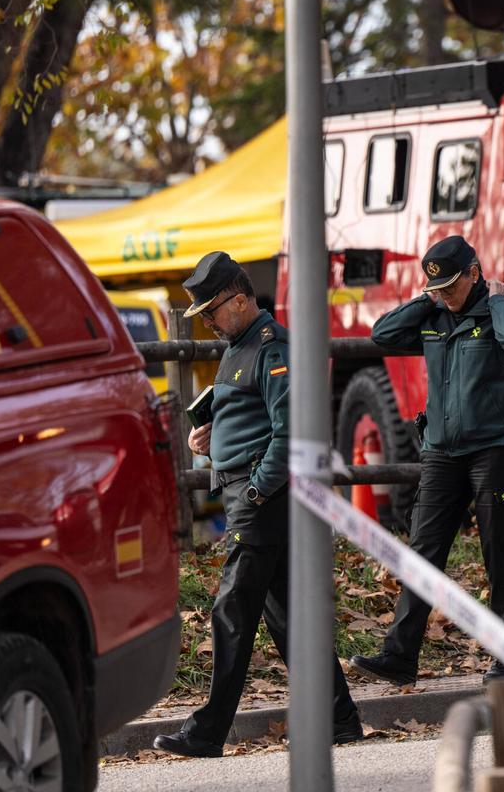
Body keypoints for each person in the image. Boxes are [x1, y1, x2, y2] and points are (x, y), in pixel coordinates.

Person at [154, 251, 363, 758]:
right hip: (250, 493)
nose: (205, 321)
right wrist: (212, 440)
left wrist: (255, 489)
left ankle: (207, 733)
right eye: (200, 314)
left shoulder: (271, 347)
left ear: (241, 300)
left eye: (211, 311)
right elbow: (253, 419)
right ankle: (339, 717)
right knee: (288, 617)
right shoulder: (238, 344)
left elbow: (290, 431)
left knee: (232, 611)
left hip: (259, 499)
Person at [350, 235, 504, 686]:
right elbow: (382, 334)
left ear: (475, 273)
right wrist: (427, 298)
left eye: (453, 286)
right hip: (441, 452)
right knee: (422, 553)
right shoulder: (433, 312)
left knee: (498, 554)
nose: (446, 297)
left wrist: (495, 300)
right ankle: (399, 656)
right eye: (439, 289)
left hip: (496, 449)